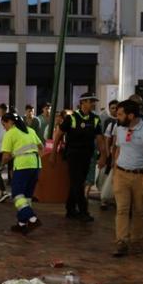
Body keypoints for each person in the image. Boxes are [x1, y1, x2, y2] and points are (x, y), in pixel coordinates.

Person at [109, 100, 143, 257]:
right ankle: (121, 241)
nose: (117, 117)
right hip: (122, 173)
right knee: (122, 208)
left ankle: (136, 239)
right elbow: (118, 148)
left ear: (130, 115)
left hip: (141, 175)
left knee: (138, 209)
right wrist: (115, 168)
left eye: (120, 114)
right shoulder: (120, 129)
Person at [53, 93, 104, 221]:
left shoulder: (95, 119)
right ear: (83, 102)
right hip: (73, 155)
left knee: (77, 182)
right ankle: (83, 211)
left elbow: (99, 139)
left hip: (87, 155)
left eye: (93, 101)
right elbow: (58, 135)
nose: (93, 104)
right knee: (78, 182)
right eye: (91, 101)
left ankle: (70, 209)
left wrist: (103, 155)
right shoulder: (72, 118)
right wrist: (53, 153)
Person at [0, 111, 43, 234]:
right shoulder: (30, 130)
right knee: (27, 196)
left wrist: (1, 165)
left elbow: (6, 156)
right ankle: (22, 224)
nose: (4, 128)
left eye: (4, 124)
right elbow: (41, 147)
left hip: (23, 166)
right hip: (36, 165)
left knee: (17, 195)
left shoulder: (10, 133)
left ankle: (33, 219)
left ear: (11, 122)